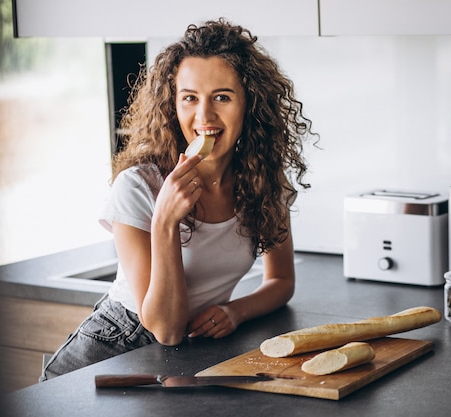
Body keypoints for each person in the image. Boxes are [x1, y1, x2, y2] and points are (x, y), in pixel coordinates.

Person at [40, 18, 315, 381]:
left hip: (189, 354)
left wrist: (235, 311)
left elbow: (281, 279)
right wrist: (165, 220)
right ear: (172, 105)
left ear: (249, 104)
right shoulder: (138, 187)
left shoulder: (263, 181)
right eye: (190, 98)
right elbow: (165, 330)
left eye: (222, 97)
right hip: (113, 349)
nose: (204, 116)